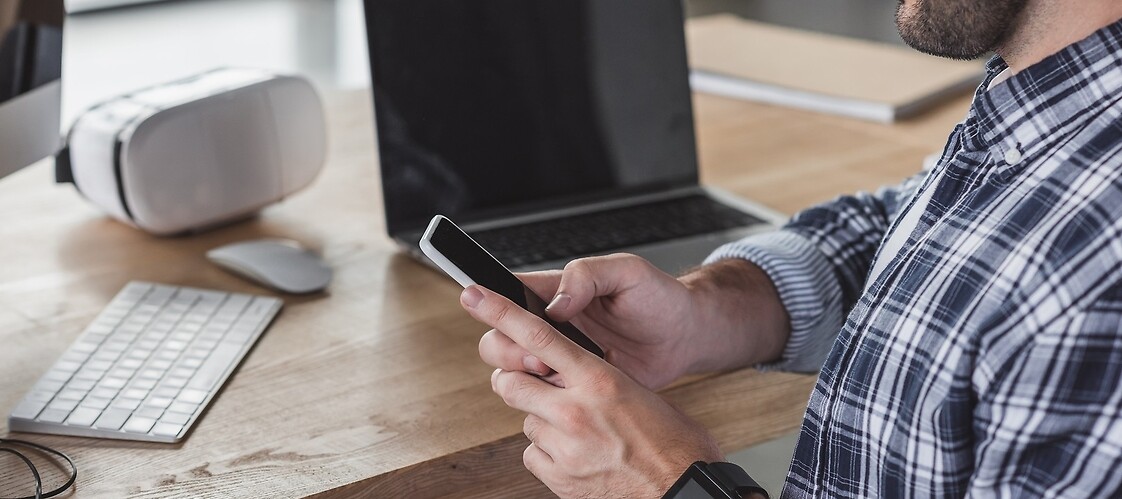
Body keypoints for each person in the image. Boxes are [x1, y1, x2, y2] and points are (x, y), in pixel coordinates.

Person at [460, 0, 1122, 496]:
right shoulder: (1056, 103)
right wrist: (711, 309)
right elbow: (946, 228)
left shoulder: (1098, 282)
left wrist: (670, 480)